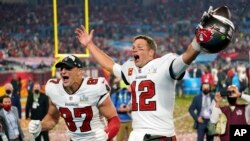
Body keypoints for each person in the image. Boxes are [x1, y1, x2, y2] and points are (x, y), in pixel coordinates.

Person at [74, 6, 234, 140]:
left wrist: (197, 43)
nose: (134, 49)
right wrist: (90, 45)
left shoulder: (165, 63)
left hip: (160, 135)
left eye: (140, 47)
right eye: (133, 47)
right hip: (137, 135)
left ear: (151, 52)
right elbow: (110, 65)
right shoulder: (131, 69)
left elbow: (186, 57)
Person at [28, 55, 120, 141]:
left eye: (68, 68)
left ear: (80, 71)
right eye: (61, 68)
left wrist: (106, 135)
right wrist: (40, 126)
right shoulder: (54, 89)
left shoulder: (95, 88)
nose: (63, 71)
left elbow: (114, 119)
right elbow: (52, 118)